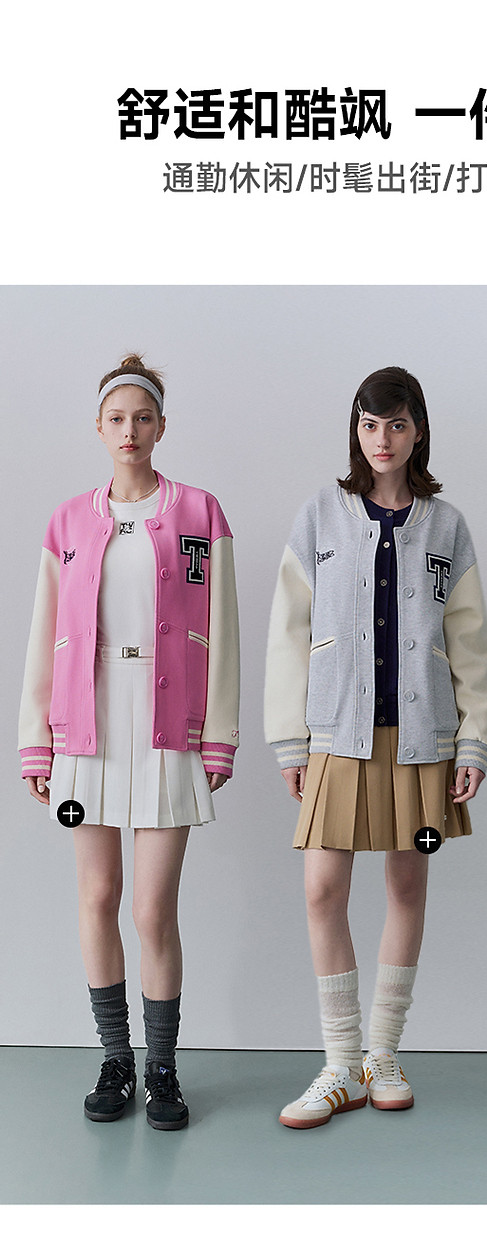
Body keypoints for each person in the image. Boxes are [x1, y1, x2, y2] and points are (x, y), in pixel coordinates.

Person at [265, 366, 487, 1129]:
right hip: (338, 733)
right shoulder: (320, 517)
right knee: (322, 889)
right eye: (370, 424)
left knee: (406, 886)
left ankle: (383, 1054)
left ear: (417, 430)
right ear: (356, 431)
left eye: (396, 424)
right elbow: (288, 633)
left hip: (421, 739)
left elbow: (470, 641)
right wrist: (290, 739)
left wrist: (475, 741)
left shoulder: (446, 526)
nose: (383, 438)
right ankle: (340, 1063)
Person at [18, 355, 240, 1130]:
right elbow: (44, 634)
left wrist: (219, 736)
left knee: (152, 908)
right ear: (99, 427)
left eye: (143, 418)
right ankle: (115, 1059)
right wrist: (35, 741)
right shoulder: (67, 523)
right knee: (98, 895)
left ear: (161, 427)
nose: (130, 431)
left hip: (167, 726)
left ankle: (162, 1067)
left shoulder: (200, 513)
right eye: (117, 418)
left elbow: (223, 630)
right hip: (85, 729)